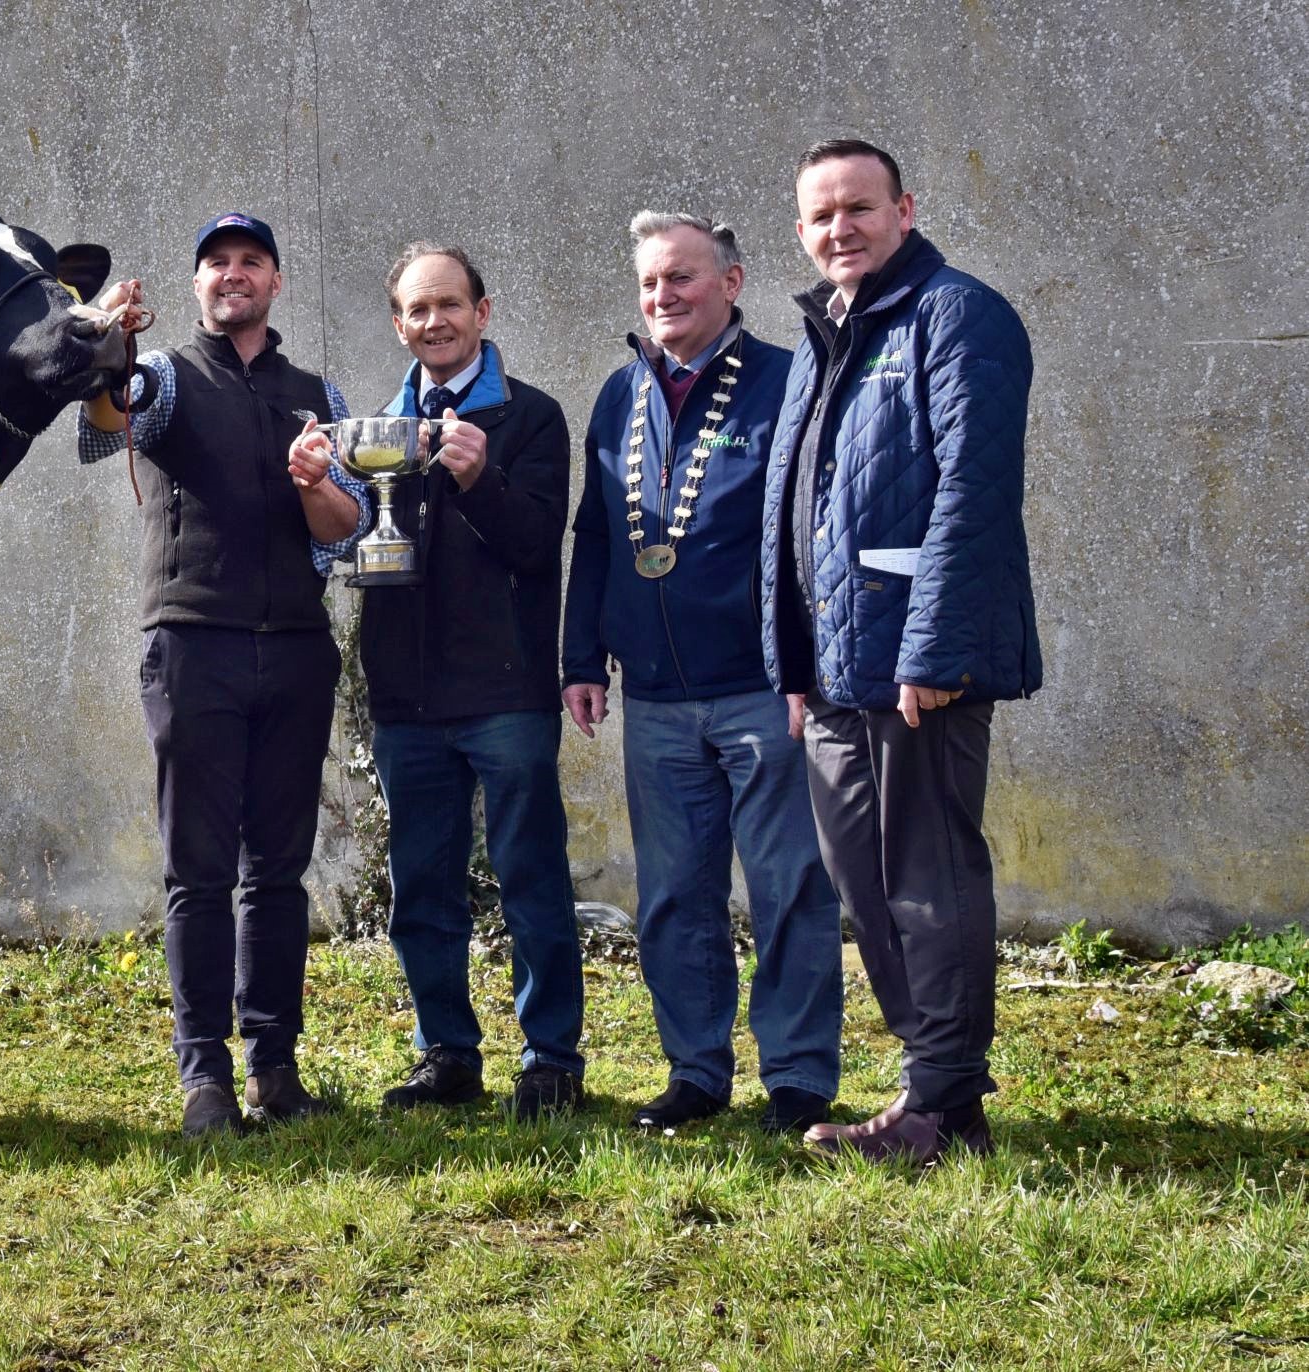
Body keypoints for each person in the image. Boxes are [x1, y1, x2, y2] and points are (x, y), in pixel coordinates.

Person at [761, 139, 1041, 1163]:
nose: (840, 228)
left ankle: (939, 1104)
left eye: (858, 208)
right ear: (801, 231)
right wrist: (790, 663)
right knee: (862, 881)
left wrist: (932, 647)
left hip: (919, 663)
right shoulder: (824, 334)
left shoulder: (959, 316)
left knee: (928, 874)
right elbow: (791, 515)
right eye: (820, 215)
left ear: (904, 209)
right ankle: (936, 1083)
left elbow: (972, 494)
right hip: (834, 675)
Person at [79, 213, 368, 1137]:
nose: (232, 275)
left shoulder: (315, 392)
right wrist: (109, 350)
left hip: (293, 648)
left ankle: (273, 1068)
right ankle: (203, 1077)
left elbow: (344, 529)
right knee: (197, 872)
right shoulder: (162, 375)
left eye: (251, 262)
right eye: (216, 265)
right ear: (197, 286)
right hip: (192, 643)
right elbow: (104, 427)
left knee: (277, 871)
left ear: (276, 283)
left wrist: (315, 481)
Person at [563, 212, 843, 1136]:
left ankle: (798, 1076)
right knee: (675, 895)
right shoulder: (617, 395)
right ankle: (695, 1071)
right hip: (655, 697)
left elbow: (812, 532)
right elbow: (597, 535)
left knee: (787, 886)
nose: (663, 297)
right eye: (650, 284)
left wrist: (808, 661)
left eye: (682, 278)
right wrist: (581, 656)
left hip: (764, 688)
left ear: (731, 281)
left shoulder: (785, 379)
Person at [293, 244, 584, 1122]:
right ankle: (446, 1053)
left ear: (483, 312)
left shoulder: (532, 419)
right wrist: (316, 483)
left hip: (508, 694)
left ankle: (551, 1058)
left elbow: (536, 545)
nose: (435, 323)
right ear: (398, 325)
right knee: (421, 887)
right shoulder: (379, 426)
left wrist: (477, 474)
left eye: (449, 305)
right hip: (407, 699)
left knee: (530, 877)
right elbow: (347, 541)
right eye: (416, 311)